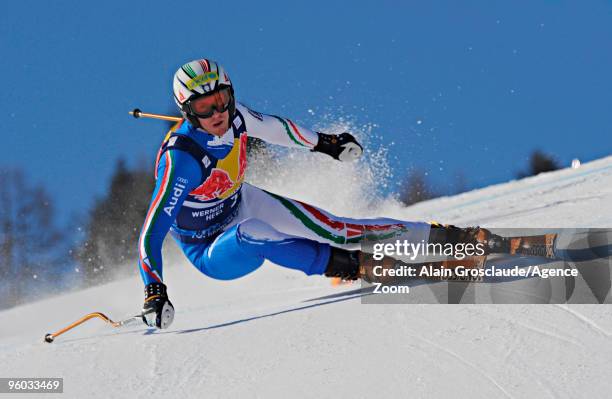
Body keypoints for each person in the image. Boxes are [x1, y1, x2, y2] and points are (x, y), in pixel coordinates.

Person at [138, 59, 498, 329]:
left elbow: (279, 130)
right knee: (256, 233)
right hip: (211, 249)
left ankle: (444, 238)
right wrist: (154, 289)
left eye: (222, 99)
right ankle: (354, 266)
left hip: (239, 201)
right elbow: (152, 231)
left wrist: (326, 144)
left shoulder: (236, 118)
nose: (217, 112)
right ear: (188, 109)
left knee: (335, 226)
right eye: (204, 107)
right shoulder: (182, 159)